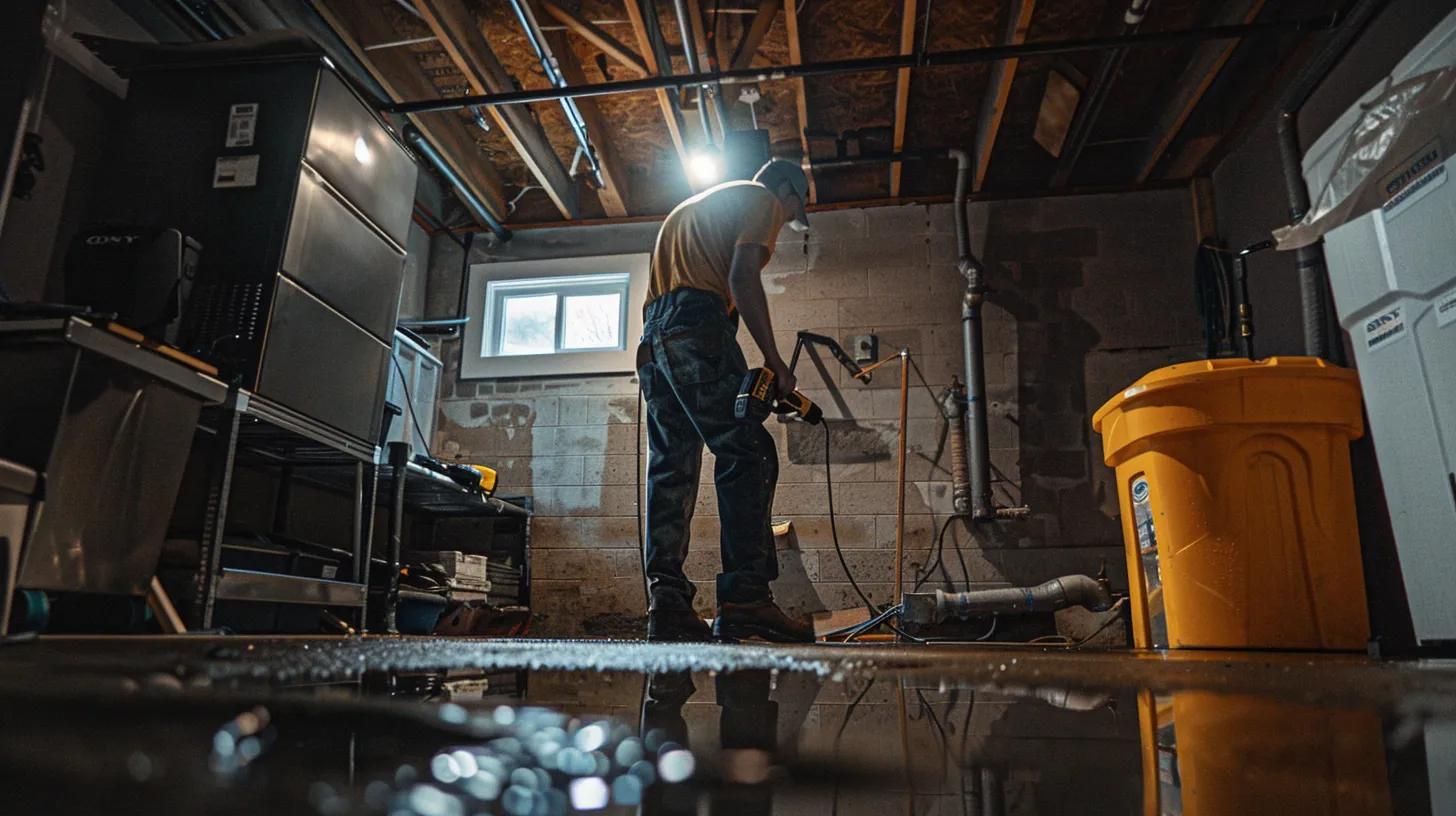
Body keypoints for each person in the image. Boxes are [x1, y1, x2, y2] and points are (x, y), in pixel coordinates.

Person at [637, 158, 815, 643]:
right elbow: (741, 278)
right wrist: (776, 362)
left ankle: (668, 603)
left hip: (655, 339)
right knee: (749, 448)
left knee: (672, 466)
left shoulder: (693, 208)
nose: (788, 217)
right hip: (698, 325)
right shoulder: (761, 199)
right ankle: (745, 599)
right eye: (796, 206)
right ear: (787, 191)